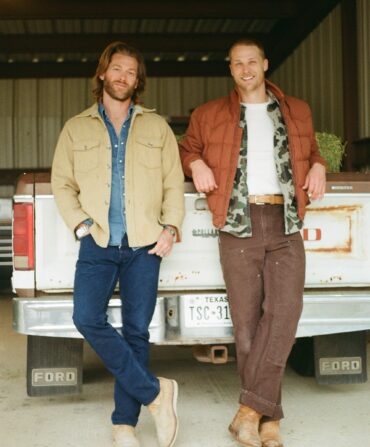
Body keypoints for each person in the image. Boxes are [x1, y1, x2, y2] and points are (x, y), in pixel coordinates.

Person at [179, 38, 326, 447]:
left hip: (285, 220)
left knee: (285, 313)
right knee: (246, 326)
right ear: (230, 69)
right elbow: (186, 148)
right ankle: (268, 421)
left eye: (251, 62)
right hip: (237, 223)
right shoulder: (208, 115)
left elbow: (312, 150)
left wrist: (318, 165)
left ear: (265, 63)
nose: (245, 69)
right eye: (237, 63)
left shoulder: (296, 109)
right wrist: (195, 162)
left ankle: (248, 410)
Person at [52, 41, 184, 447]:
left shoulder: (157, 127)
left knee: (135, 332)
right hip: (98, 242)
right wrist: (80, 225)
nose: (123, 76)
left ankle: (124, 424)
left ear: (136, 80)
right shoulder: (76, 127)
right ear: (103, 74)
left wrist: (171, 228)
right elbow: (62, 182)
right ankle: (157, 394)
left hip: (145, 243)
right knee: (86, 317)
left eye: (131, 71)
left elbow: (172, 183)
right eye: (117, 69)